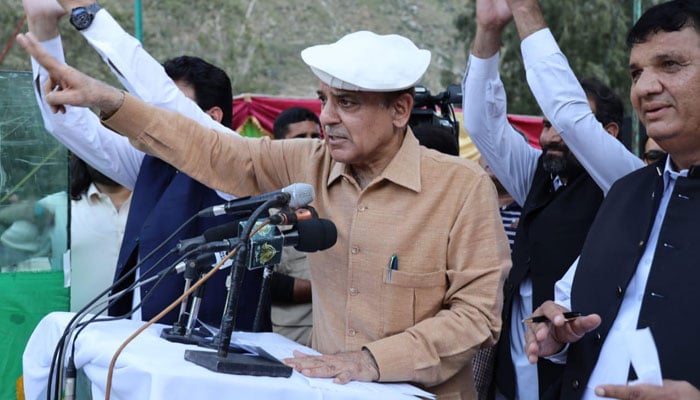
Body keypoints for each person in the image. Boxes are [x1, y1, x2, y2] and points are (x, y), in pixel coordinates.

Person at [19, 28, 512, 399]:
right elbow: (213, 150)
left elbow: (476, 319)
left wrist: (370, 362)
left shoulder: (462, 189)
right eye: (324, 100)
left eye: (348, 103)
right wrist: (113, 103)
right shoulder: (310, 161)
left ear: (401, 110)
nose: (327, 117)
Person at [23, 0, 266, 329]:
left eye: (161, 113)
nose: (150, 121)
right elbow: (71, 127)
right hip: (137, 349)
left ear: (212, 119)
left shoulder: (240, 160)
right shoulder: (153, 164)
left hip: (209, 361)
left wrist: (86, 14)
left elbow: (161, 98)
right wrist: (43, 29)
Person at [462, 0, 644, 398]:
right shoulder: (538, 175)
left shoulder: (625, 181)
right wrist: (489, 29)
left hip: (576, 367)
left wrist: (526, 11)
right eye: (545, 124)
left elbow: (569, 115)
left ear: (609, 133)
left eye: (559, 126)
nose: (552, 135)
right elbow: (480, 123)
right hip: (513, 369)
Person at [521, 0, 700, 398]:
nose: (645, 87)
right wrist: (557, 332)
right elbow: (568, 311)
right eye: (636, 72)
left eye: (670, 65)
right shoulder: (625, 192)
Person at [269, 107, 321, 344]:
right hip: (292, 335)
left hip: (338, 330)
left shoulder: (337, 193)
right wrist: (333, 289)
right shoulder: (265, 205)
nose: (311, 145)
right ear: (279, 145)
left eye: (316, 137)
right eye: (300, 139)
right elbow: (265, 282)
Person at [68, 154, 131, 312]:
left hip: (147, 333)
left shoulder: (163, 207)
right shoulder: (59, 208)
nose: (105, 153)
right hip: (78, 333)